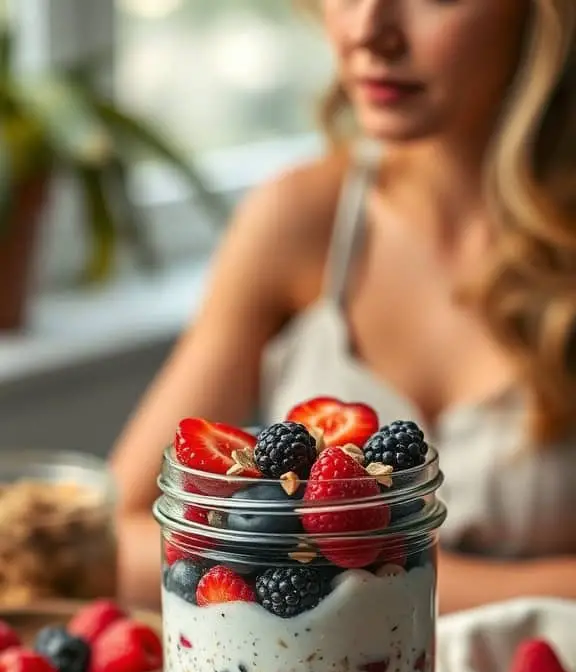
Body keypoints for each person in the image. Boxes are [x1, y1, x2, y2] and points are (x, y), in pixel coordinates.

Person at [111, 0, 576, 614]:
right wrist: (393, 571)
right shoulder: (299, 220)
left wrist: (321, 561)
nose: (368, 30)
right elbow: (115, 536)